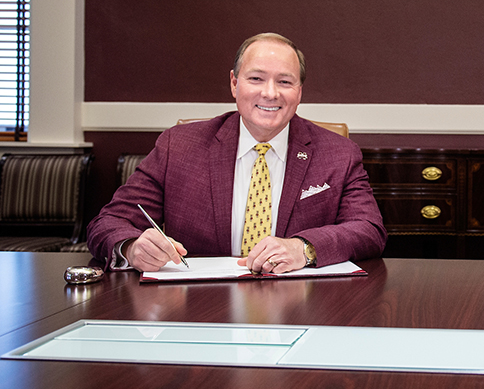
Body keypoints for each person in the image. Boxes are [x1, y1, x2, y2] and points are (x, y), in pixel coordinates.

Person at [88, 33, 387, 274]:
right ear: (234, 83)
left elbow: (369, 229)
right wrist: (131, 247)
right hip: (197, 307)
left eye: (285, 81)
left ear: (300, 90)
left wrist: (305, 247)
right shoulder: (178, 147)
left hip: (301, 303)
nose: (270, 93)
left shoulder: (338, 153)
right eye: (256, 79)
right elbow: (108, 222)